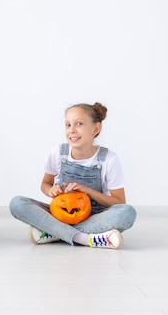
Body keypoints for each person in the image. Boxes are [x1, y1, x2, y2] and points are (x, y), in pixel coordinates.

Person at [9, 102, 136, 249]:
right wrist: (51, 190)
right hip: (59, 214)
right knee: (17, 203)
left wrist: (88, 191)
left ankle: (54, 232)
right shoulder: (58, 152)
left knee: (127, 213)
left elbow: (119, 202)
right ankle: (84, 238)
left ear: (96, 128)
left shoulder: (108, 159)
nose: (72, 130)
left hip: (94, 217)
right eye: (68, 125)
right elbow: (45, 184)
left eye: (79, 124)